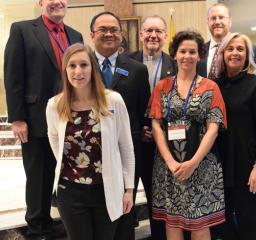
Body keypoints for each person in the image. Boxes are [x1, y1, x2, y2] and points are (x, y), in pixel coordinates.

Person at [3, 0, 83, 238]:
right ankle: (38, 228)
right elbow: (13, 76)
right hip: (36, 117)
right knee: (38, 176)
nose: (57, 2)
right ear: (40, 3)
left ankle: (69, 221)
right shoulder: (22, 29)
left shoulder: (75, 35)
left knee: (71, 172)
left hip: (72, 118)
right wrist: (17, 118)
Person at [45, 43, 134, 240]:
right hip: (70, 190)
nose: (78, 71)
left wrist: (129, 189)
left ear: (93, 68)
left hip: (106, 189)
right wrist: (68, 163)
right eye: (72, 65)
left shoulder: (113, 101)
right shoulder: (55, 105)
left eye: (84, 65)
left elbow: (126, 146)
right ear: (65, 69)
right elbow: (53, 136)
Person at [148, 30, 227, 240]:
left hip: (202, 165)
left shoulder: (211, 87)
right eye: (183, 51)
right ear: (174, 54)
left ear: (199, 55)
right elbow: (156, 125)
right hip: (168, 167)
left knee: (199, 222)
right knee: (172, 221)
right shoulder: (162, 87)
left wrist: (193, 162)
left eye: (192, 51)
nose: (187, 56)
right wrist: (170, 162)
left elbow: (213, 128)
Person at [89, 11, 150, 240]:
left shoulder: (136, 69)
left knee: (124, 215)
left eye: (114, 30)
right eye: (102, 29)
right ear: (92, 34)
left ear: (121, 35)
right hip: (90, 153)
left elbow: (144, 109)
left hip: (126, 152)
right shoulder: (80, 64)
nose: (108, 34)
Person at [215, 32, 256, 240]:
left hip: (247, 166)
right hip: (219, 165)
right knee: (221, 222)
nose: (235, 53)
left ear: (247, 56)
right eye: (230, 49)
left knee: (247, 221)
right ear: (222, 54)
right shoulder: (214, 85)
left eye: (240, 49)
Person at [128, 14, 176, 240]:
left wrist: (159, 131)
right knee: (125, 197)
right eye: (149, 31)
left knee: (159, 200)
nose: (153, 35)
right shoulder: (125, 63)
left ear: (165, 36)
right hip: (130, 142)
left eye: (158, 31)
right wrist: (140, 129)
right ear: (141, 35)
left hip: (163, 144)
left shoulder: (176, 64)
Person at [197, 3, 256, 81]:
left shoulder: (251, 49)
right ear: (208, 22)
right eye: (213, 18)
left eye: (221, 17)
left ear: (230, 21)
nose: (217, 22)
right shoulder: (199, 51)